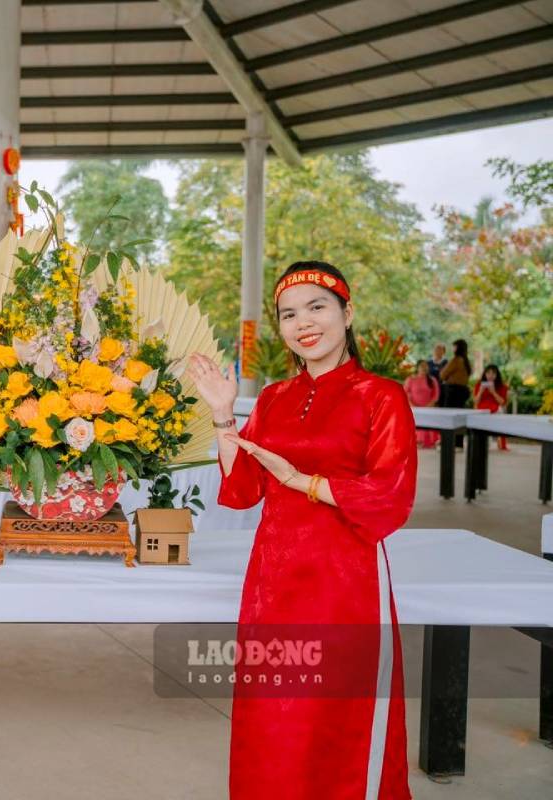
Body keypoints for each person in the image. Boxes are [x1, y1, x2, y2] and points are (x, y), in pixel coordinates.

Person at [189, 260, 415, 800]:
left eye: (317, 307)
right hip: (273, 581)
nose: (303, 323)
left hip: (346, 581)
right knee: (272, 716)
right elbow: (243, 487)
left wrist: (302, 482)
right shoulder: (274, 398)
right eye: (289, 314)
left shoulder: (380, 395)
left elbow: (391, 492)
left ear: (347, 313)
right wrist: (223, 415)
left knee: (338, 710)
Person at [404, 358, 440, 449]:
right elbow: (405, 394)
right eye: (422, 366)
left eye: (426, 366)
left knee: (428, 421)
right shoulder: (410, 379)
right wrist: (413, 405)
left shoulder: (432, 380)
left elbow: (436, 395)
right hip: (414, 409)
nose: (424, 368)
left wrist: (429, 406)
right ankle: (417, 441)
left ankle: (430, 441)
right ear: (417, 368)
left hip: (429, 409)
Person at [473, 364, 510, 451]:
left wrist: (493, 392)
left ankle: (501, 442)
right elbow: (476, 402)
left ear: (497, 375)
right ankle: (483, 443)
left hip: (496, 409)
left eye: (493, 373)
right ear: (485, 374)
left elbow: (503, 402)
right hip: (481, 410)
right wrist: (481, 391)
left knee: (501, 415)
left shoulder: (502, 386)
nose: (490, 375)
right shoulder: (479, 385)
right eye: (488, 373)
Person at [438, 339, 471, 409]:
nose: (452, 349)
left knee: (449, 412)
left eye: (454, 347)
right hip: (463, 390)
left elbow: (442, 375)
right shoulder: (466, 361)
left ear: (458, 348)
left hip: (453, 391)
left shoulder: (456, 360)